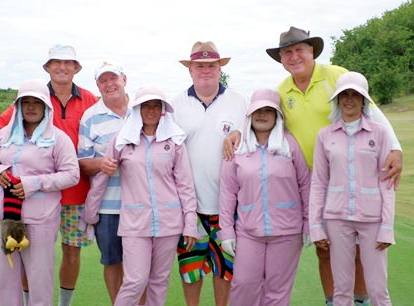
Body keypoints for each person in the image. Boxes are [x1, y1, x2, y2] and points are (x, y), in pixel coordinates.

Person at [223, 26, 403, 306]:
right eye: (287, 52)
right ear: (281, 59)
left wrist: (396, 148)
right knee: (326, 249)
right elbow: (261, 110)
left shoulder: (335, 75)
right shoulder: (283, 89)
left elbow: (373, 112)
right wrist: (236, 129)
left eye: (299, 50)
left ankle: (362, 300)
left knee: (358, 251)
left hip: (350, 175)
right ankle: (335, 301)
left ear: (312, 52)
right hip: (315, 182)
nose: (294, 57)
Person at [0, 44, 98, 306]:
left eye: (68, 62)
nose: (62, 67)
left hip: (62, 202)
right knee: (8, 273)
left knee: (61, 258)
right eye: (56, 62)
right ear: (47, 67)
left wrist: (33, 183)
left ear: (77, 68)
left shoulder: (87, 103)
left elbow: (72, 171)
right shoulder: (10, 127)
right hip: (10, 212)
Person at [84, 85, 200, 305]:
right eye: (146, 105)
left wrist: (190, 223)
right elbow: (102, 176)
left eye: (157, 106)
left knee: (159, 281)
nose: (151, 110)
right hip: (134, 223)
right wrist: (90, 215)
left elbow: (185, 185)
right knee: (135, 281)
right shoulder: (122, 139)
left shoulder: (174, 141)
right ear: (137, 109)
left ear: (163, 110)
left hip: (169, 222)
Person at [170, 41, 249, 306]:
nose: (206, 70)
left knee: (224, 270)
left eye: (211, 66)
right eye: (199, 66)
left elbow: (257, 136)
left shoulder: (240, 102)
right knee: (191, 271)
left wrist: (241, 133)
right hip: (189, 207)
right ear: (190, 70)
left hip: (229, 207)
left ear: (220, 69)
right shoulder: (175, 106)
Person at [0, 79, 79, 306]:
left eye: (36, 102)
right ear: (17, 106)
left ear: (46, 106)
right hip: (5, 216)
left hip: (41, 219)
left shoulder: (59, 138)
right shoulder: (5, 135)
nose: (30, 107)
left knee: (40, 281)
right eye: (25, 102)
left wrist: (33, 183)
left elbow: (71, 174)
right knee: (3, 280)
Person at [218, 88, 311, 305]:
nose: (263, 115)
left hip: (287, 232)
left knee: (277, 291)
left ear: (277, 116)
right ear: (250, 114)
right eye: (258, 110)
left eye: (269, 110)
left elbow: (305, 185)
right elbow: (227, 192)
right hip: (249, 231)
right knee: (243, 285)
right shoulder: (237, 147)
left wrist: (309, 225)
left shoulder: (290, 144)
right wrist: (226, 232)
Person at [310, 71, 395, 306]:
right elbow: (318, 182)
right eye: (344, 95)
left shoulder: (380, 133)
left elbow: (387, 183)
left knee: (378, 290)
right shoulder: (325, 135)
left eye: (355, 95)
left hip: (372, 219)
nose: (349, 100)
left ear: (364, 100)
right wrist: (316, 226)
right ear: (337, 99)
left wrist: (387, 227)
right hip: (337, 219)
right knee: (341, 291)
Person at [78, 60, 147, 304]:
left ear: (124, 79)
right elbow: (82, 163)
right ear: (97, 85)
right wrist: (101, 165)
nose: (109, 84)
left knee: (139, 268)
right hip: (108, 207)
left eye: (113, 78)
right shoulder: (90, 117)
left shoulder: (142, 110)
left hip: (141, 204)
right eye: (103, 81)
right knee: (112, 262)